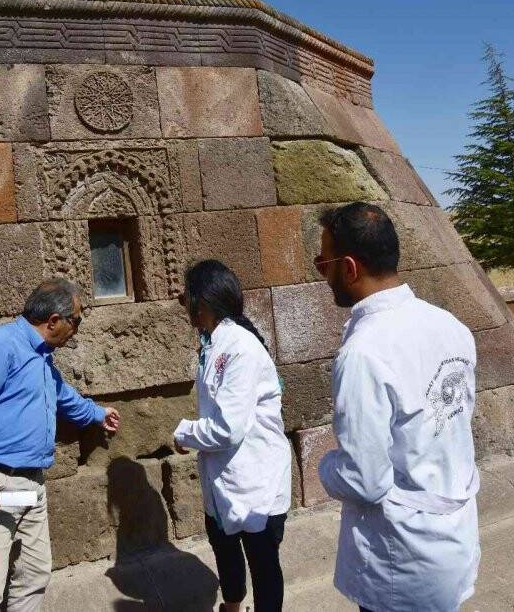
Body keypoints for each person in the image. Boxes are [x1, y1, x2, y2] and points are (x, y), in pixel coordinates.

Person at [314, 202, 481, 612]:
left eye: (323, 263)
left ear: (349, 268)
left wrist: (325, 468)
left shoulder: (363, 352)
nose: (322, 273)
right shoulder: (450, 325)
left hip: (402, 560)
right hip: (453, 539)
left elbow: (364, 479)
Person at [0, 278, 121, 612]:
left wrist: (97, 414)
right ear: (54, 321)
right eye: (76, 321)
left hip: (30, 484)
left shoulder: (40, 358)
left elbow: (62, 396)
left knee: (34, 577)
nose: (76, 330)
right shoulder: (0, 345)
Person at [172, 259, 291, 612]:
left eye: (186, 297)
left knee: (264, 564)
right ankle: (233, 605)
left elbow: (228, 427)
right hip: (225, 478)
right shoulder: (212, 344)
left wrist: (186, 433)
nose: (184, 305)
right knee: (225, 547)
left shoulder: (240, 347)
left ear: (203, 300)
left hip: (256, 480)